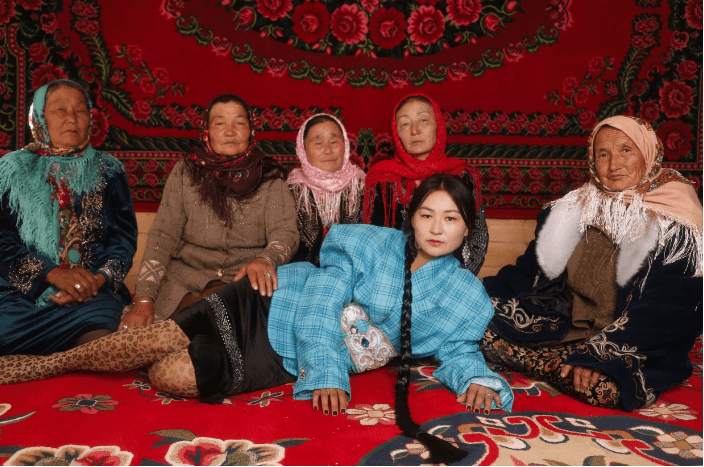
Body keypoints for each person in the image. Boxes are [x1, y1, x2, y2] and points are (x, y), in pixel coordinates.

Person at [0, 174, 513, 464]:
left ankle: (138, 356)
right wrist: (329, 372)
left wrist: (478, 379)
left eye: (451, 218)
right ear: (411, 216)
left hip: (279, 355)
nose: (437, 228)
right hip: (280, 305)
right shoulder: (369, 243)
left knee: (170, 375)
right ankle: (41, 366)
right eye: (427, 214)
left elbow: (458, 347)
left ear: (467, 227)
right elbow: (323, 300)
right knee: (161, 335)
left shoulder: (466, 295)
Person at [480, 115, 703, 411]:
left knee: (605, 389)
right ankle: (560, 365)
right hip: (561, 328)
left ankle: (551, 363)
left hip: (633, 341)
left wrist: (599, 355)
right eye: (603, 154)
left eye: (626, 150)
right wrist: (471, 294)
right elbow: (529, 272)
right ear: (592, 159)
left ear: (648, 153)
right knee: (469, 319)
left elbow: (671, 306)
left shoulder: (678, 219)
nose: (614, 164)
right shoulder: (573, 209)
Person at [121, 94, 299, 327]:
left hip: (240, 283)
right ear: (206, 130)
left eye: (239, 122)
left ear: (251, 130)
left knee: (228, 321)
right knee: (146, 333)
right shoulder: (185, 172)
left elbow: (285, 233)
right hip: (183, 283)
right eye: (219, 123)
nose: (230, 131)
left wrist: (265, 259)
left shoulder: (270, 177)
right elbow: (163, 235)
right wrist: (144, 298)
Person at [0, 79, 138, 355]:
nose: (71, 119)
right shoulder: (11, 169)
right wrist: (52, 275)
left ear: (90, 118)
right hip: (21, 293)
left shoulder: (109, 170)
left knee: (101, 320)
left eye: (80, 111)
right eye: (60, 110)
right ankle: (70, 346)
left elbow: (122, 239)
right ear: (40, 117)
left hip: (89, 294)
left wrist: (95, 280)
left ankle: (71, 343)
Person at [363, 93, 488, 274]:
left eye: (423, 120)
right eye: (405, 124)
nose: (415, 130)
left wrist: (459, 278)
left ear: (438, 126)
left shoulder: (463, 176)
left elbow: (478, 237)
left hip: (452, 276)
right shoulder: (382, 180)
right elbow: (372, 240)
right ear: (395, 132)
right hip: (394, 278)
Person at [287, 113, 365, 266]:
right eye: (318, 143)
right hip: (304, 276)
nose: (328, 150)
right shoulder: (291, 191)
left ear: (345, 145)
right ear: (303, 149)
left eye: (334, 142)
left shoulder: (364, 186)